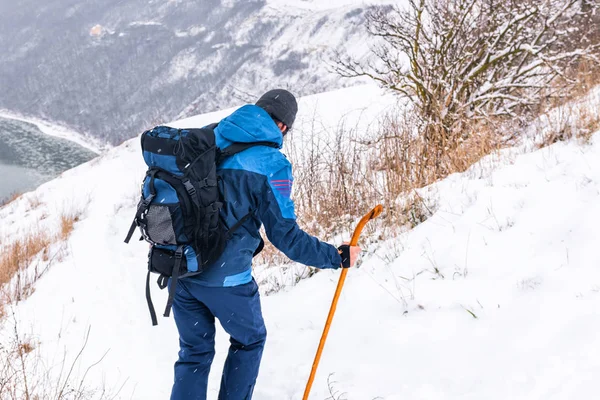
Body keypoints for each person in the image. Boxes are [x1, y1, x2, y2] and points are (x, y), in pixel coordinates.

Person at [170, 89, 361, 400]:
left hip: (178, 267)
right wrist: (335, 256)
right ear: (283, 126)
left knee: (194, 351)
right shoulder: (270, 164)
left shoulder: (207, 139)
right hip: (225, 280)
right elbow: (286, 237)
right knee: (250, 339)